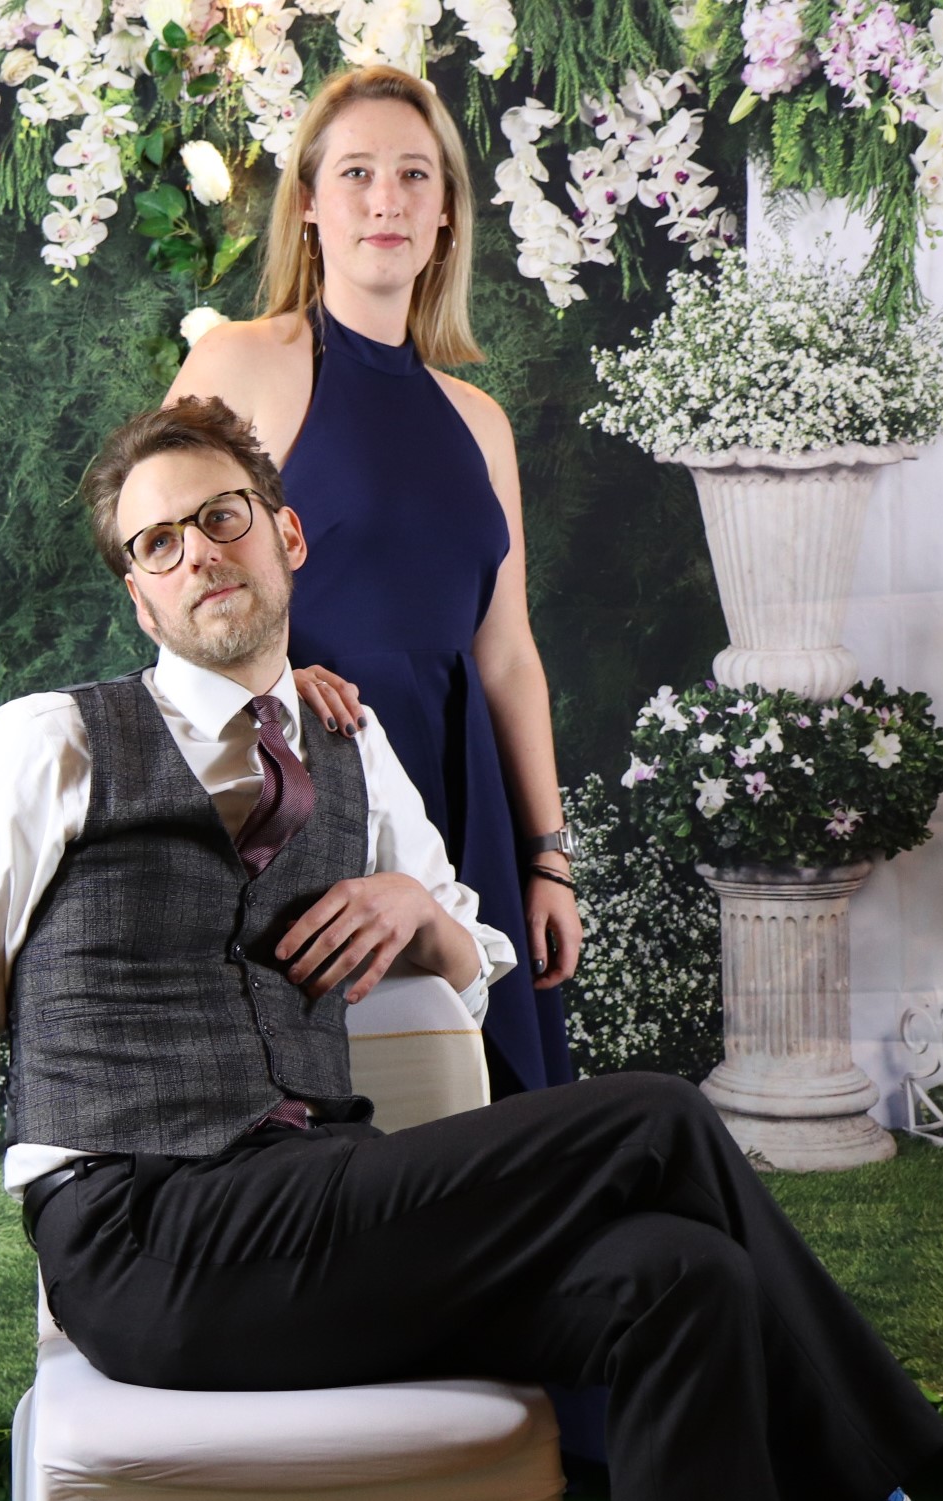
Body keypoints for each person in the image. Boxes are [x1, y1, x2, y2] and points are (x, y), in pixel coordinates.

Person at [0, 398, 943, 1501]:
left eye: (222, 517)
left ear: (286, 534)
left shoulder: (351, 750)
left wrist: (422, 915)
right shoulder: (51, 742)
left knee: (686, 1281)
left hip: (318, 1213)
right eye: (156, 543)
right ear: (137, 595)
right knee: (657, 1121)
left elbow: (475, 954)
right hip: (144, 1236)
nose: (198, 552)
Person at [166, 64, 578, 1094]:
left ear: (446, 215)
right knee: (338, 1105)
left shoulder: (480, 422)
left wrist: (546, 857)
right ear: (309, 205)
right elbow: (165, 571)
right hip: (305, 781)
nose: (386, 199)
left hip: (467, 799)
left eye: (413, 175)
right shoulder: (242, 363)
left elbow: (508, 655)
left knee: (496, 1118)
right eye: (356, 172)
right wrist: (266, 684)